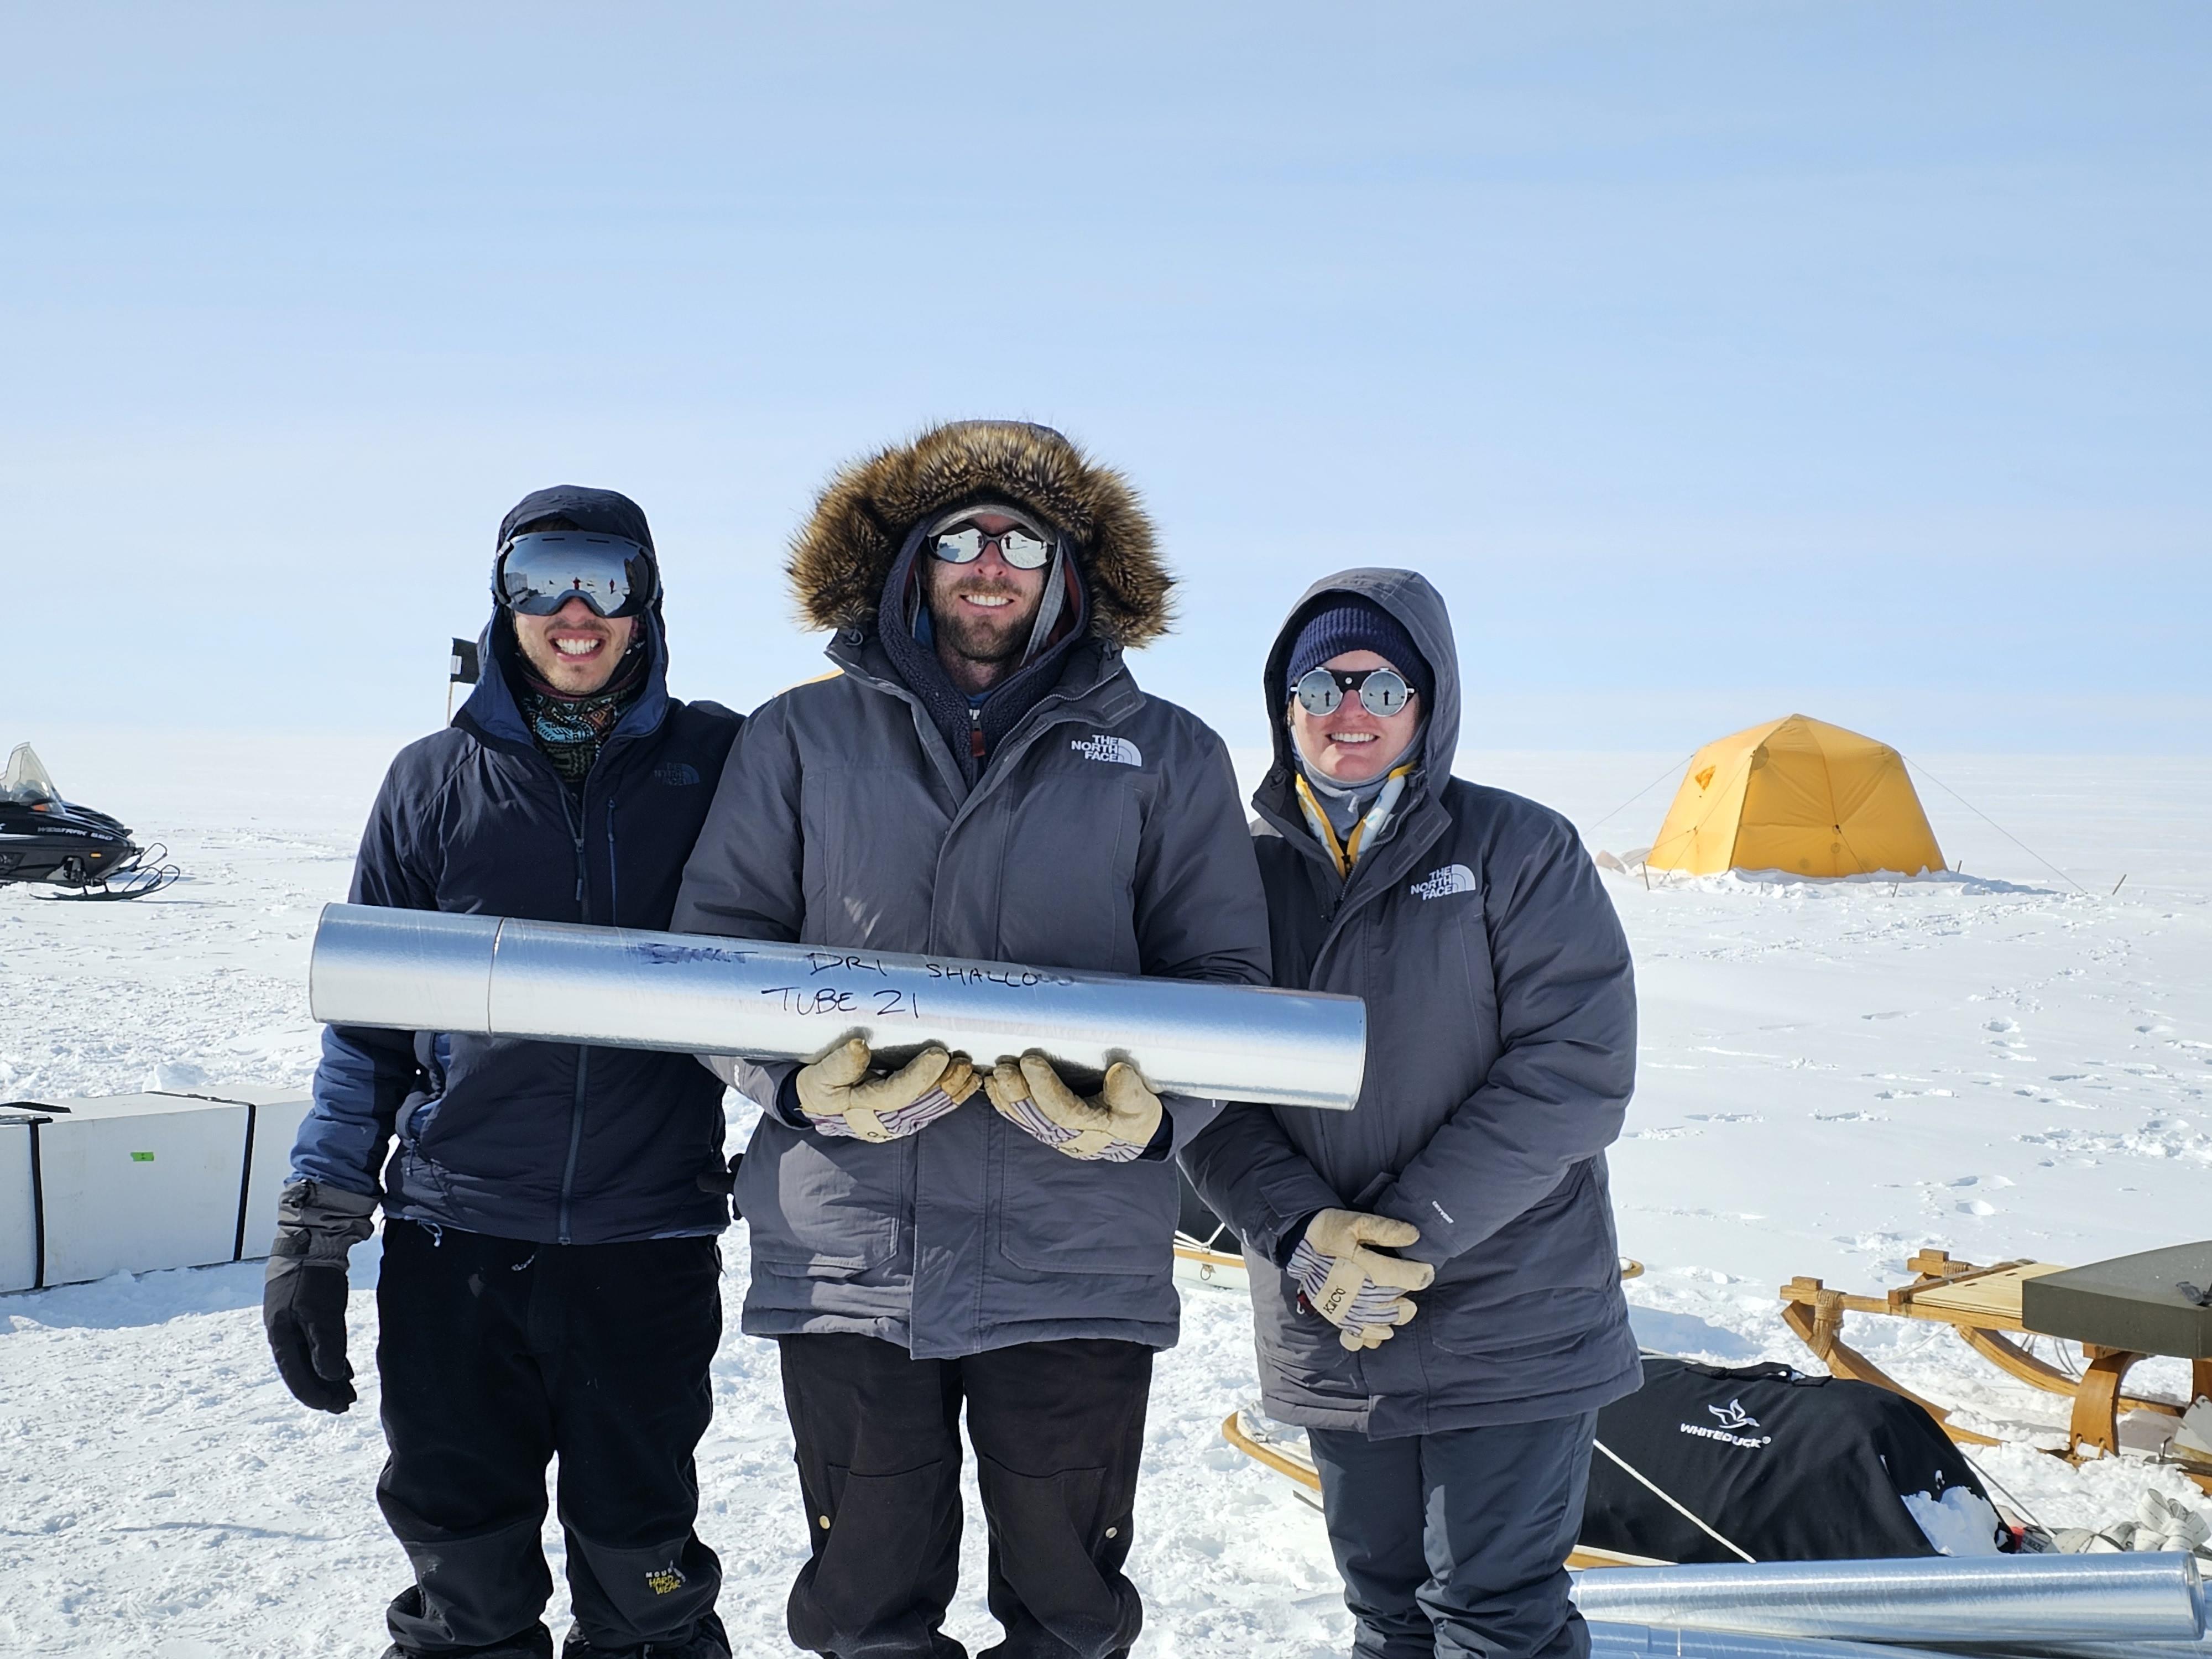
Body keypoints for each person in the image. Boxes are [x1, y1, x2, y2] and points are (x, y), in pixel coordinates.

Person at [671, 419, 1271, 1659]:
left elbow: (1226, 985)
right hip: (852, 1254)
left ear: (1067, 571)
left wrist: (1153, 1117)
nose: (988, 563)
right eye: (959, 537)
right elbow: (712, 958)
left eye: (1022, 540)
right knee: (863, 1613)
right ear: (909, 561)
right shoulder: (797, 738)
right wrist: (798, 1090)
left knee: (1067, 1615)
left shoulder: (1166, 755)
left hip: (1071, 1257)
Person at [263, 487, 742, 1659]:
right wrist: (316, 1225)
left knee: (646, 1577)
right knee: (465, 1580)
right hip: (456, 1249)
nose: (573, 611)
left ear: (648, 602)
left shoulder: (720, 761)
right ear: (500, 597)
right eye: (540, 577)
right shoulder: (432, 780)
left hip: (645, 1249)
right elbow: (367, 1031)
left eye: (605, 579)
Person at [1182, 568, 1641, 1659]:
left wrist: (1406, 1237)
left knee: (1495, 1618)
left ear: (1426, 706)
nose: (1349, 712)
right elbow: (1204, 1095)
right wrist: (1302, 1235)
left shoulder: (1516, 851)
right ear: (1281, 704)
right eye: (1321, 684)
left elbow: (1573, 1071)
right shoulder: (1229, 875)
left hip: (1508, 1311)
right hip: (1333, 1312)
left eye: (1380, 687)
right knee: (1383, 1614)